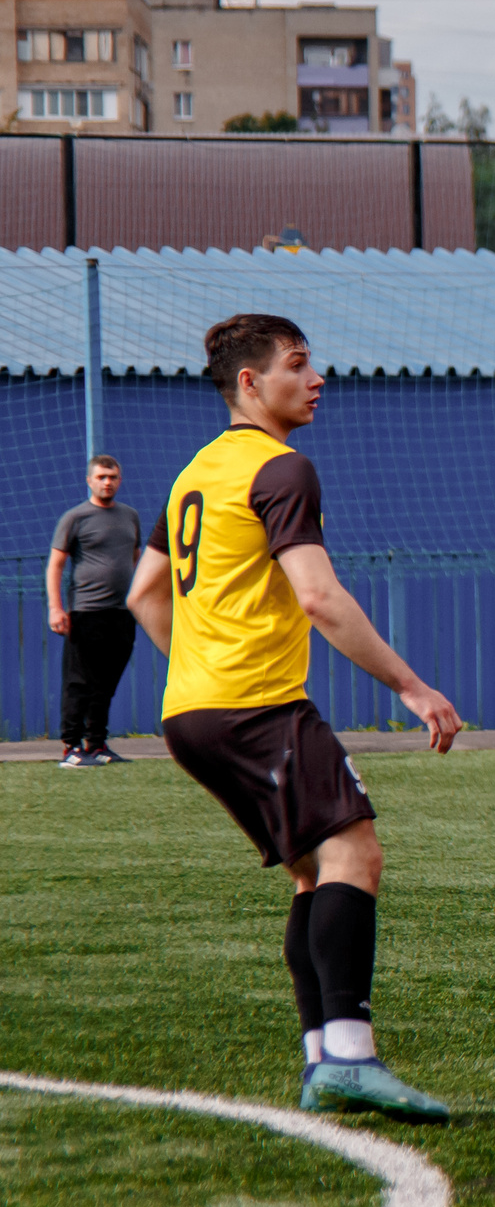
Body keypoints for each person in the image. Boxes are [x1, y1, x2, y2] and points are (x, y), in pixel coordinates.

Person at [126, 314, 459, 1121]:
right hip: (256, 706)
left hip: (191, 715)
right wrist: (412, 686)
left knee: (315, 869)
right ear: (250, 382)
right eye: (298, 365)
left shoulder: (193, 473)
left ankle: (322, 1060)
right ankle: (349, 1055)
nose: (316, 379)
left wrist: (199, 671)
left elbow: (143, 593)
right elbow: (318, 595)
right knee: (357, 852)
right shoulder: (282, 469)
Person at [49, 454, 143, 767]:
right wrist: (56, 608)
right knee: (79, 681)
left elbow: (134, 556)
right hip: (85, 613)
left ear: (119, 479)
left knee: (106, 682)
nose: (107, 482)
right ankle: (71, 747)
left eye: (112, 477)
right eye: (101, 477)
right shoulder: (75, 517)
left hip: (120, 614)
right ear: (89, 480)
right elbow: (56, 565)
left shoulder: (129, 516)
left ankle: (97, 744)